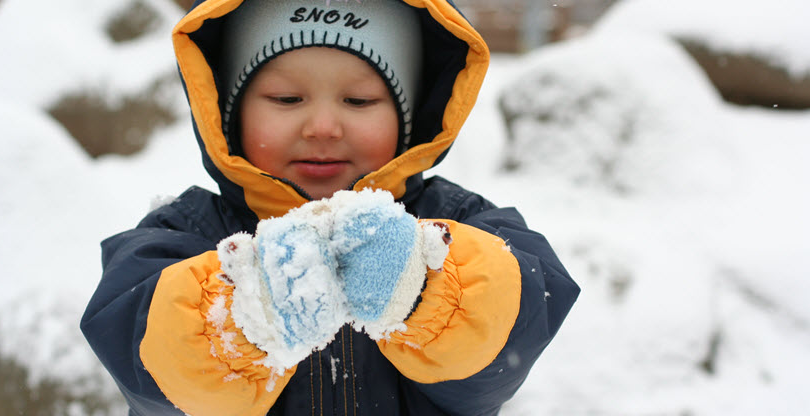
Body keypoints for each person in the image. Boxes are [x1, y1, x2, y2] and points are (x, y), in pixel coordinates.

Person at [81, 0, 580, 415]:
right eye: (287, 98)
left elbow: (518, 322)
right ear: (229, 117)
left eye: (358, 101)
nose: (322, 127)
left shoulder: (457, 225)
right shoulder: (186, 235)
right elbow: (145, 360)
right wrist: (238, 316)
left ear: (407, 121)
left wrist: (429, 288)